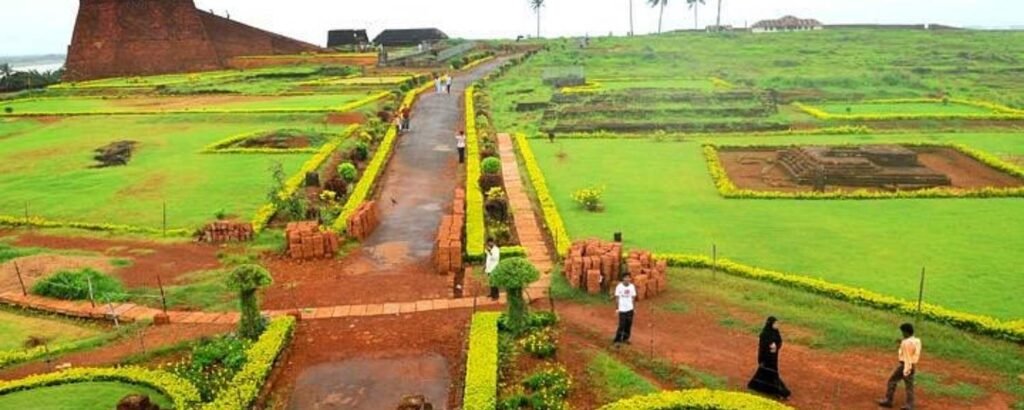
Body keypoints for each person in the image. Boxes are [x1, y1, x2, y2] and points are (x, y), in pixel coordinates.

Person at [878, 323, 922, 410]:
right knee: (909, 385)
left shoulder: (906, 343)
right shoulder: (917, 341)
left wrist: (901, 344)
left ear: (906, 332)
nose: (902, 334)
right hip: (912, 365)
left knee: (892, 381)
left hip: (905, 365)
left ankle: (889, 400)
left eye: (903, 332)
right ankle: (909, 404)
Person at [747, 316, 791, 400]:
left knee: (767, 373)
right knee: (771, 373)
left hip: (774, 357)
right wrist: (769, 347)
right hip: (766, 358)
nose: (777, 325)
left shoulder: (776, 332)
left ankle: (759, 386)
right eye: (775, 323)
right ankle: (779, 392)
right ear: (770, 324)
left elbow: (779, 341)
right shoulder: (764, 334)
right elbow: (762, 347)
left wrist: (776, 346)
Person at [612, 274, 637, 345]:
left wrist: (634, 308)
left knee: (628, 324)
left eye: (629, 278)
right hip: (622, 309)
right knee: (622, 325)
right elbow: (617, 298)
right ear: (623, 279)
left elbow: (633, 298)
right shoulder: (619, 287)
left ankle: (625, 339)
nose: (627, 279)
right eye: (626, 278)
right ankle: (617, 340)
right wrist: (617, 308)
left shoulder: (632, 286)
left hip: (630, 309)